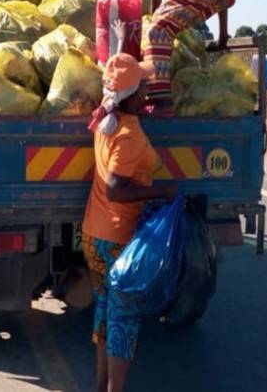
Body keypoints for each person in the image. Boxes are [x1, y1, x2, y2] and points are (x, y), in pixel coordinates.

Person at [83, 23, 178, 392]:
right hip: (118, 239)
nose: (149, 89)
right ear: (135, 95)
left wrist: (122, 44)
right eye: (144, 85)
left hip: (94, 235)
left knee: (105, 312)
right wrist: (161, 191)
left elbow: (114, 78)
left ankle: (100, 385)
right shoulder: (129, 133)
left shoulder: (105, 116)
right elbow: (117, 188)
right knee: (124, 318)